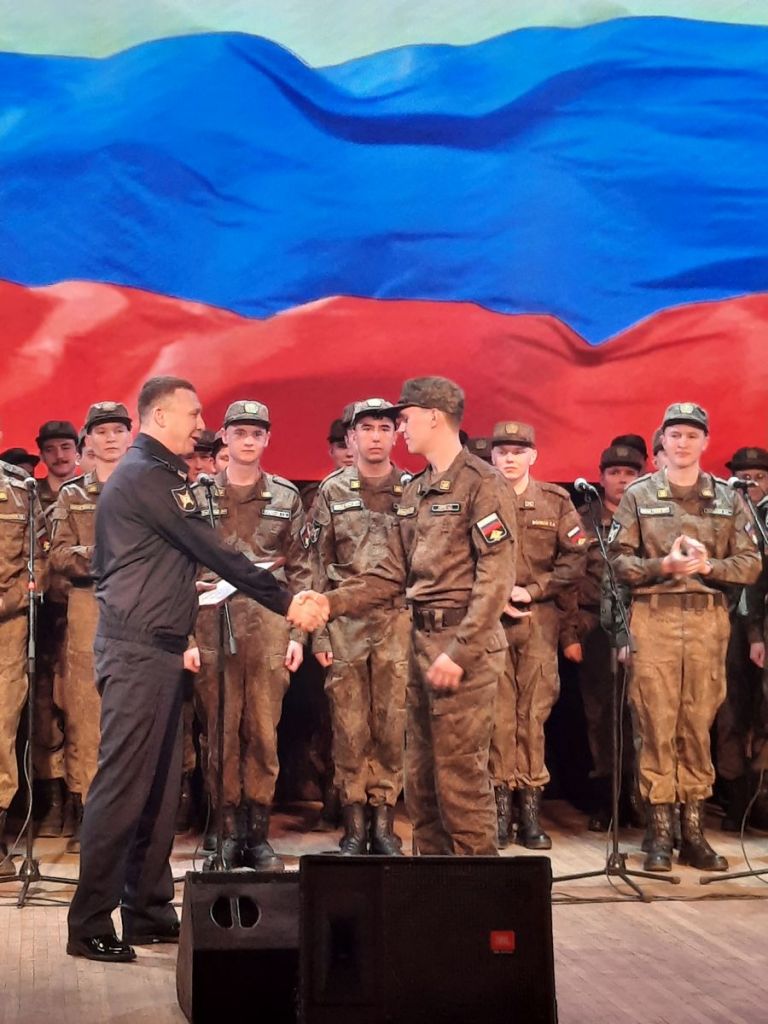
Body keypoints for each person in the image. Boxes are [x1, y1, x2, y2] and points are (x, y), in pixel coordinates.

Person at [66, 376, 325, 963]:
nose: (201, 424)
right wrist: (288, 602)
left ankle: (147, 909)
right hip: (135, 651)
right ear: (159, 416)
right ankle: (89, 922)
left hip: (157, 649)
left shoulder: (157, 475)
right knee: (122, 788)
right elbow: (214, 550)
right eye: (193, 413)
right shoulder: (146, 476)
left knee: (159, 791)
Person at [307, 377, 516, 856]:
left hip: (461, 648)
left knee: (460, 781)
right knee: (421, 785)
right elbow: (390, 574)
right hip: (419, 646)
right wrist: (329, 603)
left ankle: (476, 892)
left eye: (405, 418)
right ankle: (433, 891)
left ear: (434, 416)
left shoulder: (483, 484)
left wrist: (459, 653)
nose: (400, 428)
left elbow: (496, 579)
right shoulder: (417, 489)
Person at [608, 402, 761, 872]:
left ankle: (693, 832)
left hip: (706, 621)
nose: (683, 442)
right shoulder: (639, 494)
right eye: (674, 434)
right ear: (663, 441)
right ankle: (658, 833)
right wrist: (664, 565)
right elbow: (617, 561)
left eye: (692, 435)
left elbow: (751, 563)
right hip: (653, 617)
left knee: (696, 724)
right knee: (655, 724)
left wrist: (709, 566)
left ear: (705, 442)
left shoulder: (728, 498)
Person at [190, 399, 312, 871]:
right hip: (210, 623)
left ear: (267, 439)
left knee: (262, 732)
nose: (247, 440)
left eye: (256, 433)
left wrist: (299, 636)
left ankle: (257, 833)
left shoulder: (285, 496)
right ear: (223, 436)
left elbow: (302, 569)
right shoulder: (197, 496)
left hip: (268, 627)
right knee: (219, 732)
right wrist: (184, 639)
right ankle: (225, 831)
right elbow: (180, 569)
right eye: (238, 432)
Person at [311, 398, 411, 855]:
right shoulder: (331, 492)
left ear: (396, 435)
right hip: (345, 623)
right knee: (349, 726)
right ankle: (354, 822)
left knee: (392, 724)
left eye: (384, 428)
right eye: (366, 428)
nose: (375, 436)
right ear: (350, 438)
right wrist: (319, 631)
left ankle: (384, 821)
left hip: (397, 620)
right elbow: (316, 564)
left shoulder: (412, 491)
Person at [488, 421, 586, 848]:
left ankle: (530, 815)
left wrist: (533, 589)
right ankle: (498, 812)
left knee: (533, 715)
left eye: (518, 451)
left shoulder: (555, 501)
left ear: (533, 456)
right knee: (496, 717)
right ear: (492, 456)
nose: (509, 458)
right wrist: (494, 596)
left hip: (539, 621)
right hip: (489, 621)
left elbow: (575, 559)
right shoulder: (478, 498)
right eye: (502, 451)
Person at [49, 402, 133, 850]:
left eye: (118, 430)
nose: (111, 438)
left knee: (135, 716)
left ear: (130, 436)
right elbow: (59, 555)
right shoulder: (72, 495)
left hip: (141, 607)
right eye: (102, 432)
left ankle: (131, 818)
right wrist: (106, 557)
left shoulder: (148, 487)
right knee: (86, 715)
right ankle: (89, 814)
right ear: (89, 441)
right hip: (89, 608)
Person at [560, 444, 644, 831]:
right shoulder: (584, 519)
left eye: (630, 473)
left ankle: (639, 794)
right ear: (601, 477)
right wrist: (570, 632)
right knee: (601, 713)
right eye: (614, 473)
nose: (622, 480)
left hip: (640, 621)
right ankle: (608, 796)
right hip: (594, 623)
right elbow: (569, 578)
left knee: (639, 711)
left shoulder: (647, 513)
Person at [716, 446, 768, 829]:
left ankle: (762, 798)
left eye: (759, 477)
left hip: (760, 625)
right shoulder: (723, 513)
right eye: (743, 477)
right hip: (727, 622)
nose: (750, 484)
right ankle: (734, 799)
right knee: (730, 708)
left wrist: (756, 632)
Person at [34, 420, 80, 835]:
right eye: (51, 449)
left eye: (66, 447)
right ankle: (51, 801)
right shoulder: (29, 496)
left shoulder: (91, 494)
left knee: (80, 710)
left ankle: (77, 801)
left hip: (82, 612)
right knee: (44, 713)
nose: (60, 455)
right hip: (43, 617)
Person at [0, 446, 45, 868]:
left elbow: (40, 562)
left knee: (1, 728)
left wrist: (9, 600)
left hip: (7, 626)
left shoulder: (21, 490)